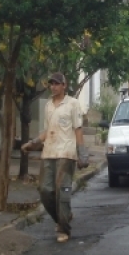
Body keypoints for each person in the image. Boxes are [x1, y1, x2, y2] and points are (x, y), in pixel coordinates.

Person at [20, 73, 88, 243]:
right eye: (51, 84)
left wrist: (83, 153)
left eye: (57, 84)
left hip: (66, 154)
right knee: (45, 191)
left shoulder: (72, 104)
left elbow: (78, 130)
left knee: (62, 192)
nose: (53, 87)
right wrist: (33, 143)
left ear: (64, 85)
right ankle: (63, 217)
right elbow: (46, 131)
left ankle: (63, 229)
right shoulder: (48, 105)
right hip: (49, 153)